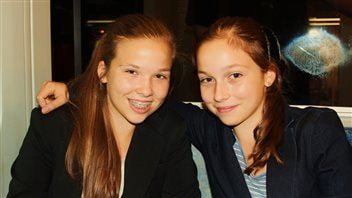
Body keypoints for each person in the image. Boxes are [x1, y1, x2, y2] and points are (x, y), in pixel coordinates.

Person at [36, 16, 352, 197]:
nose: (219, 94)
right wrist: (73, 89)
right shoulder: (210, 129)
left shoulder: (316, 130)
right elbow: (143, 95)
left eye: (235, 76)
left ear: (268, 75)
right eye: (206, 79)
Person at [7, 14, 201, 198]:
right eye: (132, 72)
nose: (146, 90)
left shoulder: (170, 131)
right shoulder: (54, 123)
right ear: (103, 72)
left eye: (160, 76)